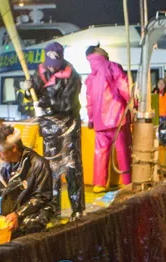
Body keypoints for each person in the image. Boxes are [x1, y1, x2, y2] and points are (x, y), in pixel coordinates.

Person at [26, 42, 85, 220]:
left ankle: (78, 209)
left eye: (55, 62)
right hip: (49, 129)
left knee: (72, 167)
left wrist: (45, 106)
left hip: (68, 126)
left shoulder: (72, 75)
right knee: (51, 170)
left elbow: (68, 103)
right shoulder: (39, 72)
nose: (52, 66)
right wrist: (28, 92)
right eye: (49, 61)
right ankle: (53, 209)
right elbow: (33, 94)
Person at [0, 125, 54, 238]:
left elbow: (42, 197)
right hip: (12, 212)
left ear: (14, 148)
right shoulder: (2, 164)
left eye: (1, 152)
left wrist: (19, 214)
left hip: (34, 214)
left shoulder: (38, 164)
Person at [85, 45, 132, 193]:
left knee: (100, 152)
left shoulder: (90, 76)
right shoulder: (112, 66)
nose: (104, 50)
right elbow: (125, 87)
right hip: (117, 117)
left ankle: (99, 184)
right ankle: (127, 181)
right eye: (101, 49)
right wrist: (134, 103)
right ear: (97, 52)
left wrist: (91, 119)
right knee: (123, 150)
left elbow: (89, 100)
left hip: (99, 122)